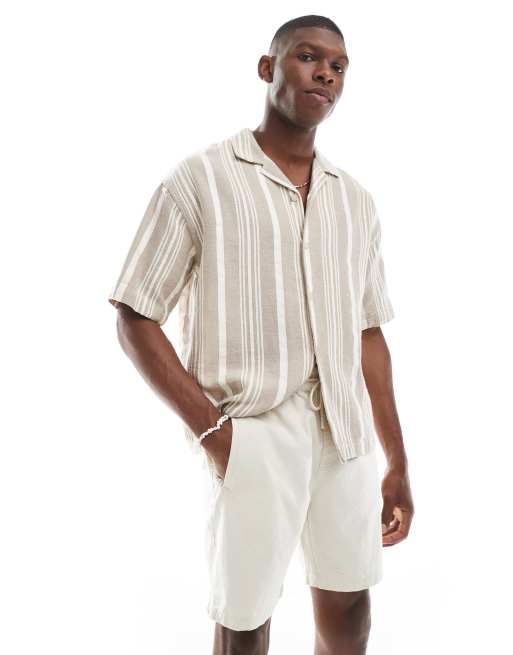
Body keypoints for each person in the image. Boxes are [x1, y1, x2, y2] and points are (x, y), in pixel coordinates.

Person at [108, 13, 414, 655]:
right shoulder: (201, 180)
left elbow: (368, 333)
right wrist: (215, 433)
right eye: (308, 56)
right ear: (267, 68)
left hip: (345, 434)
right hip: (253, 431)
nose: (325, 73)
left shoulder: (355, 201)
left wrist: (397, 462)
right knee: (244, 624)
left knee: (351, 611)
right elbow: (136, 314)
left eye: (338, 66)